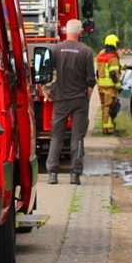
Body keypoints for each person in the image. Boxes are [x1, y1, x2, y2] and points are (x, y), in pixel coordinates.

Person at [45, 19, 96, 185]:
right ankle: (75, 174)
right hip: (79, 100)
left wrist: (45, 90)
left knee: (56, 137)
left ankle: (52, 174)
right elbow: (90, 80)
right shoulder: (86, 51)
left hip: (60, 100)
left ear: (65, 31)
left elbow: (47, 74)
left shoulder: (55, 49)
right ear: (80, 32)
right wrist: (86, 99)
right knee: (77, 138)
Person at [95, 34, 123, 135]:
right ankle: (110, 130)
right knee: (110, 107)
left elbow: (98, 71)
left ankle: (105, 128)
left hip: (101, 86)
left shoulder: (101, 56)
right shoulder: (113, 57)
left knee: (104, 107)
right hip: (110, 87)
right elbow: (113, 73)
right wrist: (118, 86)